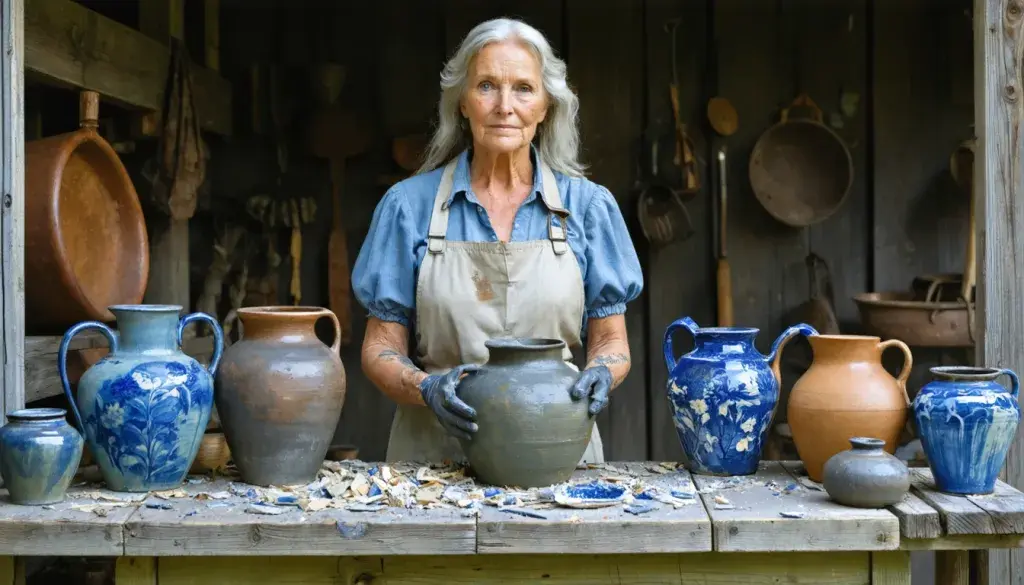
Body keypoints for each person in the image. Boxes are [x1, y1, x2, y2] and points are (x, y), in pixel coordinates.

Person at [351, 17, 643, 463]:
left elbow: (611, 343)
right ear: (463, 103)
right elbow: (380, 349)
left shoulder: (588, 207)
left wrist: (603, 371)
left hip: (555, 451)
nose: (505, 105)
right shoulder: (408, 207)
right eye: (487, 85)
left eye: (523, 88)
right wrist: (425, 388)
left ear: (546, 106)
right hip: (434, 455)